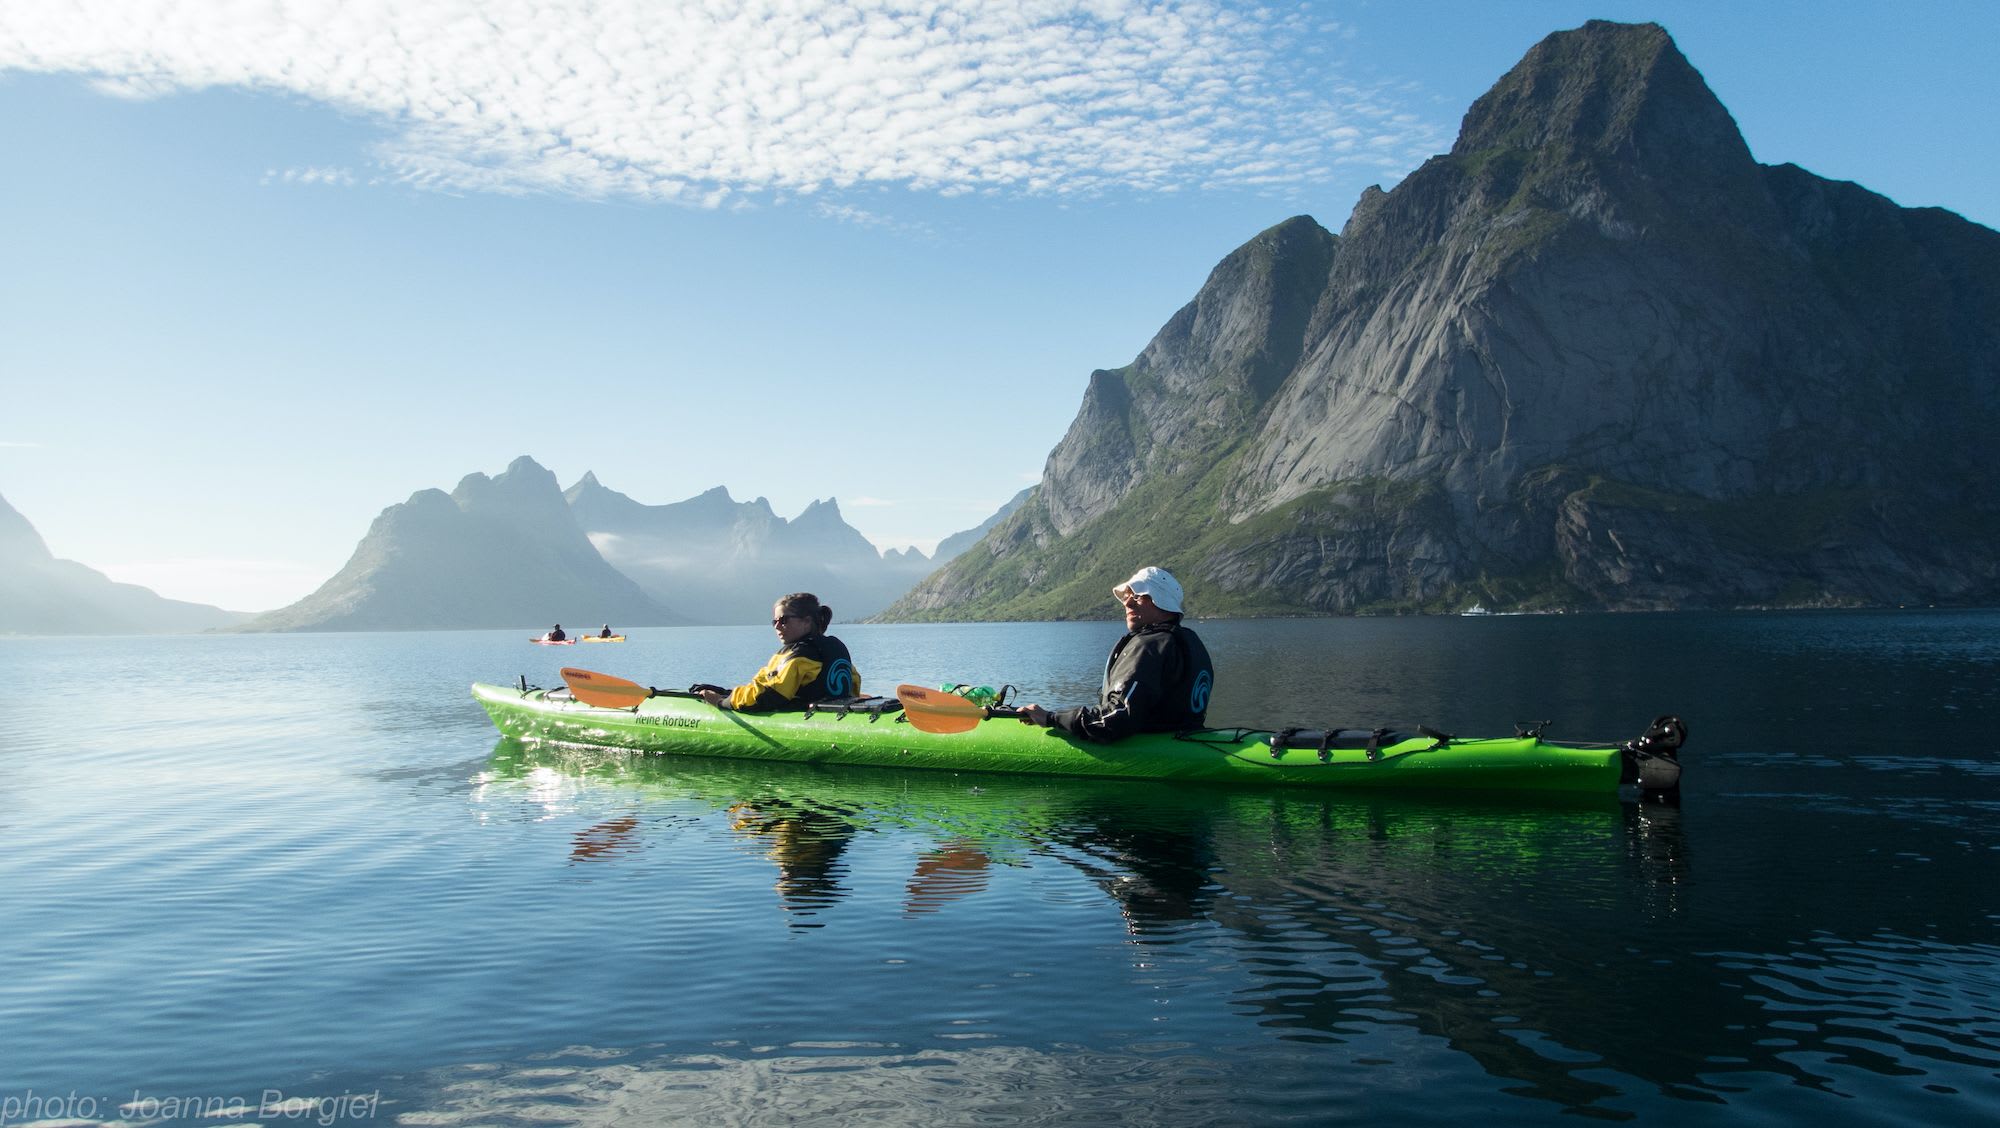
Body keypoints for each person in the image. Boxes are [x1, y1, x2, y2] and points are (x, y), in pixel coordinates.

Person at [1015, 566, 1213, 742]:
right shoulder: (1191, 642)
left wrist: (1051, 718)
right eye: (1126, 596)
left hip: (1145, 748)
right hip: (1185, 738)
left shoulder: (1149, 647)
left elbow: (1116, 718)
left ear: (1161, 601)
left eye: (1137, 596)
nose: (1128, 603)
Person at [697, 592, 860, 712]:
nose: (777, 626)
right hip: (834, 712)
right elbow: (854, 683)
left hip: (804, 715)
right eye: (774, 621)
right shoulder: (835, 646)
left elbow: (768, 697)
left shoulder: (798, 655)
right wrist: (729, 693)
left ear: (807, 622)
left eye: (784, 620)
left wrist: (720, 701)